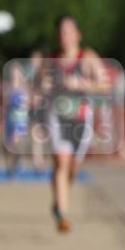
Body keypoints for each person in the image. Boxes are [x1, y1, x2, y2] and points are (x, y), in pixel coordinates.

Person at [41, 15, 109, 233]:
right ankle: (62, 214)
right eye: (61, 31)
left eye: (68, 31)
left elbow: (105, 85)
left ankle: (59, 200)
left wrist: (82, 83)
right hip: (57, 116)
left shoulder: (87, 57)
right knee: (61, 162)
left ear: (77, 34)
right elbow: (39, 87)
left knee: (73, 167)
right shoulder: (50, 60)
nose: (64, 36)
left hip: (81, 117)